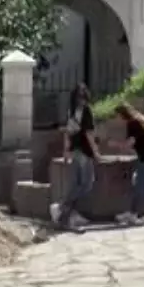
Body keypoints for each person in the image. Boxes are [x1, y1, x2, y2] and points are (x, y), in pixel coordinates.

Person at [50, 83, 99, 232]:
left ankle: (66, 214)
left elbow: (68, 133)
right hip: (84, 151)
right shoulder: (87, 111)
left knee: (77, 184)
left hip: (75, 151)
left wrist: (66, 151)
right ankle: (62, 206)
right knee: (87, 183)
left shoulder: (72, 111)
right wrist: (96, 151)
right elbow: (89, 134)